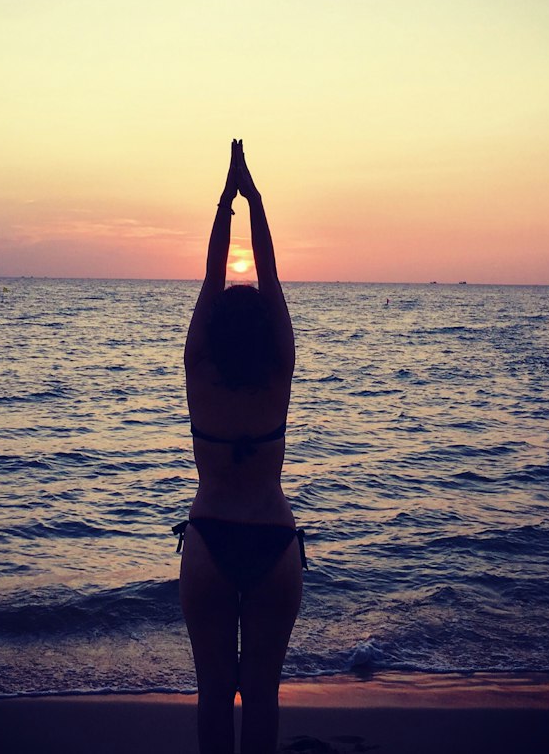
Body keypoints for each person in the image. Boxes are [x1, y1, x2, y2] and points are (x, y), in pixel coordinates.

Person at [176, 139, 304, 754]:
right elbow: (272, 277)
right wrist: (254, 199)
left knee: (212, 694)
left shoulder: (199, 369)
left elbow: (209, 276)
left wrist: (225, 202)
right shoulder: (280, 370)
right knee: (262, 694)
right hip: (273, 541)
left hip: (209, 540)